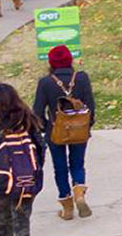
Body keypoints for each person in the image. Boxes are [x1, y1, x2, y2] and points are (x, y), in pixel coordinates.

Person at [32, 45, 94, 221]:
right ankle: (79, 192)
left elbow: (37, 111)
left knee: (59, 167)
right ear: (70, 60)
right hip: (79, 128)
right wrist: (88, 125)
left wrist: (46, 127)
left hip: (56, 130)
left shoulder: (45, 82)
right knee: (78, 164)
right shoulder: (82, 78)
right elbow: (91, 105)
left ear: (51, 63)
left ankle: (67, 208)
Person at [0, 82, 44, 236]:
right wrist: (35, 169)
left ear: (2, 99)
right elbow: (40, 146)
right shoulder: (27, 117)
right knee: (22, 222)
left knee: (4, 221)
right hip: (25, 178)